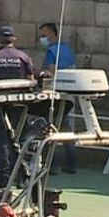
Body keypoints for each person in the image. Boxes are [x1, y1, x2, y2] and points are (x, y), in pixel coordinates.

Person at [0, 26, 35, 186]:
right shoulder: (23, 56)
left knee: (1, 140)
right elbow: (31, 78)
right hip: (20, 103)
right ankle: (20, 174)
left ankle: (4, 176)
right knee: (19, 139)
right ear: (14, 39)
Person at [38, 22, 78, 174]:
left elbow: (50, 72)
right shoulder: (67, 49)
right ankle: (71, 164)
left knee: (50, 129)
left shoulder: (52, 52)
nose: (41, 39)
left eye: (43, 35)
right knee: (66, 130)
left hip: (54, 95)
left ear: (51, 34)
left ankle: (52, 166)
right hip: (68, 94)